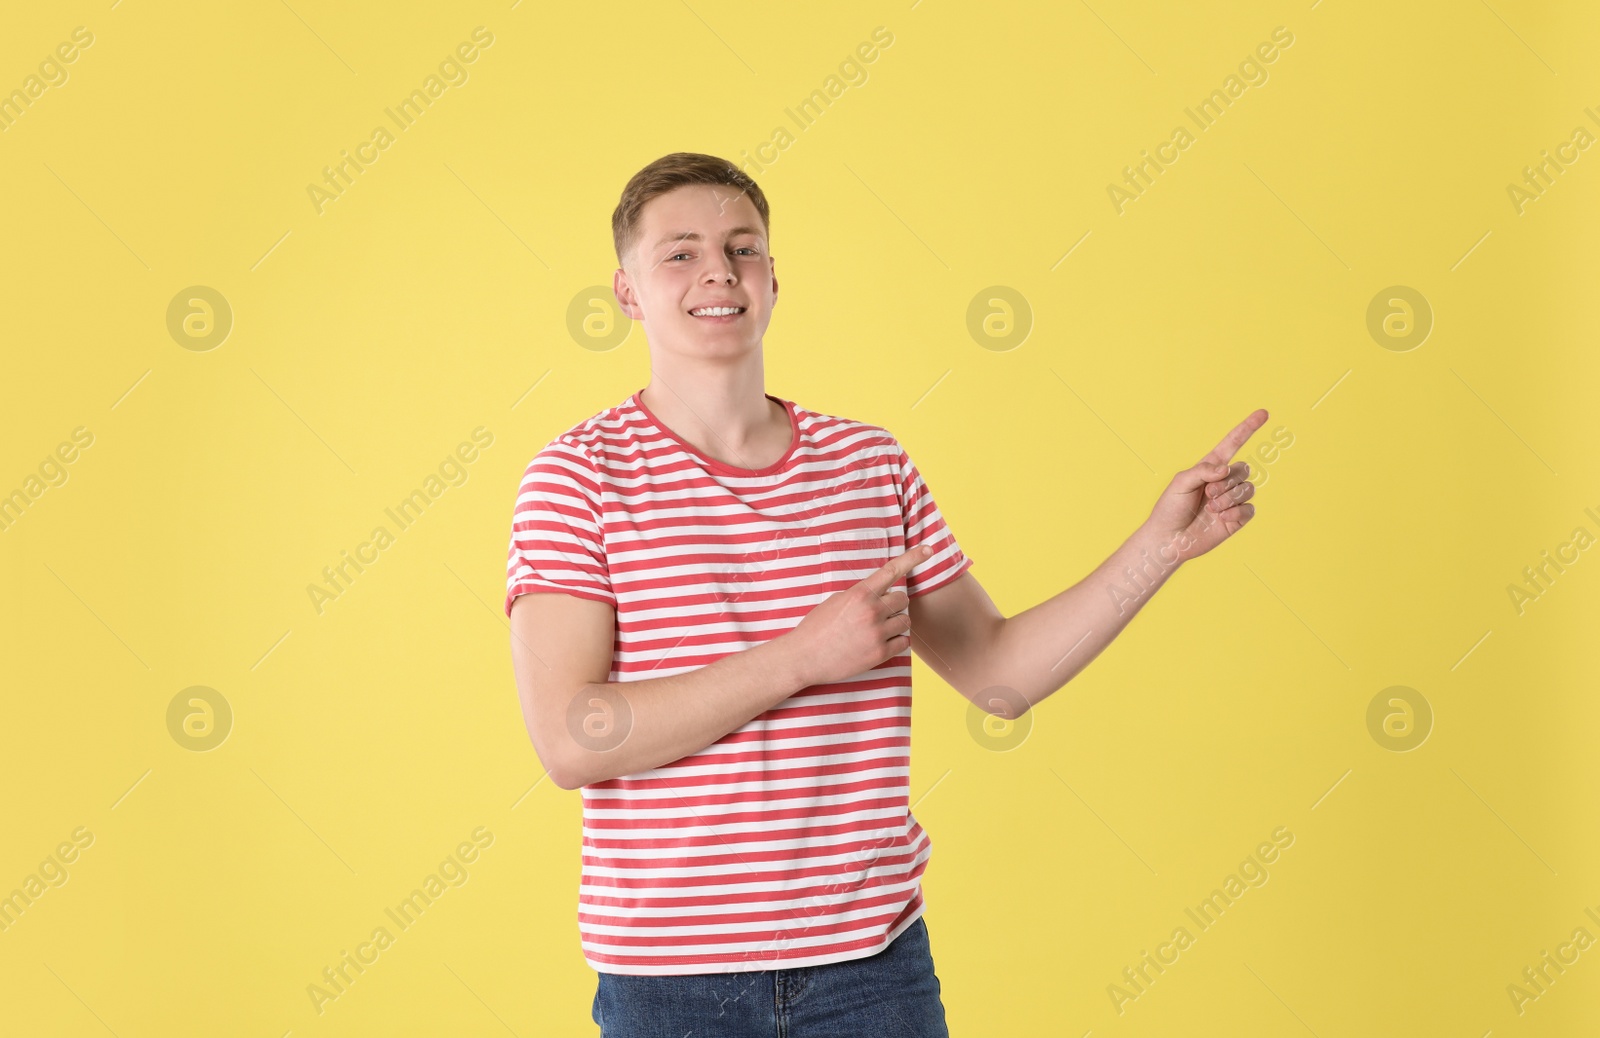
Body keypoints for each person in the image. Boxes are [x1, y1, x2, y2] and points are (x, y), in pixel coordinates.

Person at [504, 152, 1265, 1037]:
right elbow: (571, 740)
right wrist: (801, 658)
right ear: (627, 292)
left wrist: (1157, 549)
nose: (717, 270)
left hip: (871, 972)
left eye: (741, 248)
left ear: (774, 281)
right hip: (672, 985)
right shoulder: (577, 478)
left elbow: (999, 675)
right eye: (679, 253)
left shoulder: (869, 466)